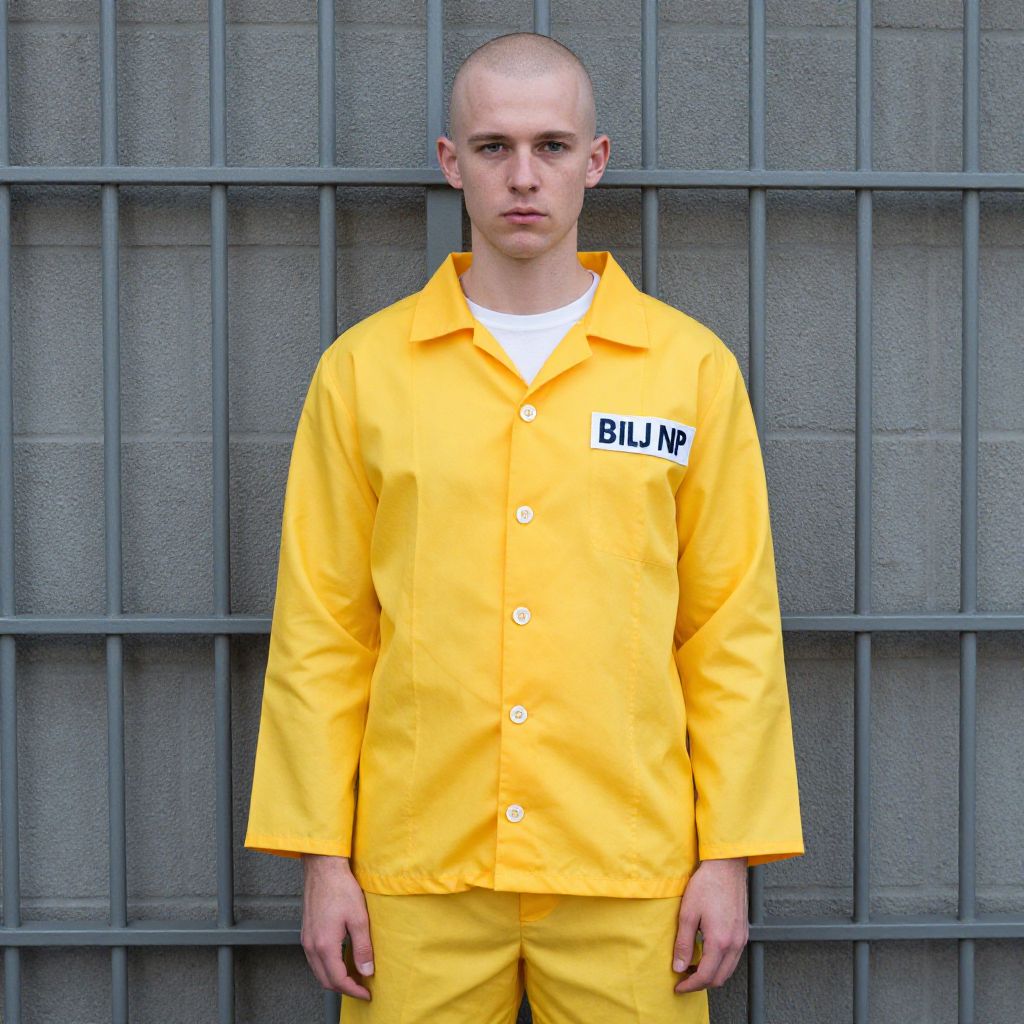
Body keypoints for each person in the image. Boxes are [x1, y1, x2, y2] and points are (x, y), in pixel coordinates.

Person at [244, 30, 804, 1024]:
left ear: (594, 163)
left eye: (551, 145)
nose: (523, 176)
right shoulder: (365, 372)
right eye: (494, 147)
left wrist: (729, 856)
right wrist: (322, 861)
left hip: (629, 865)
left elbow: (730, 631)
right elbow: (324, 633)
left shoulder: (685, 369)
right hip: (416, 870)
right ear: (450, 163)